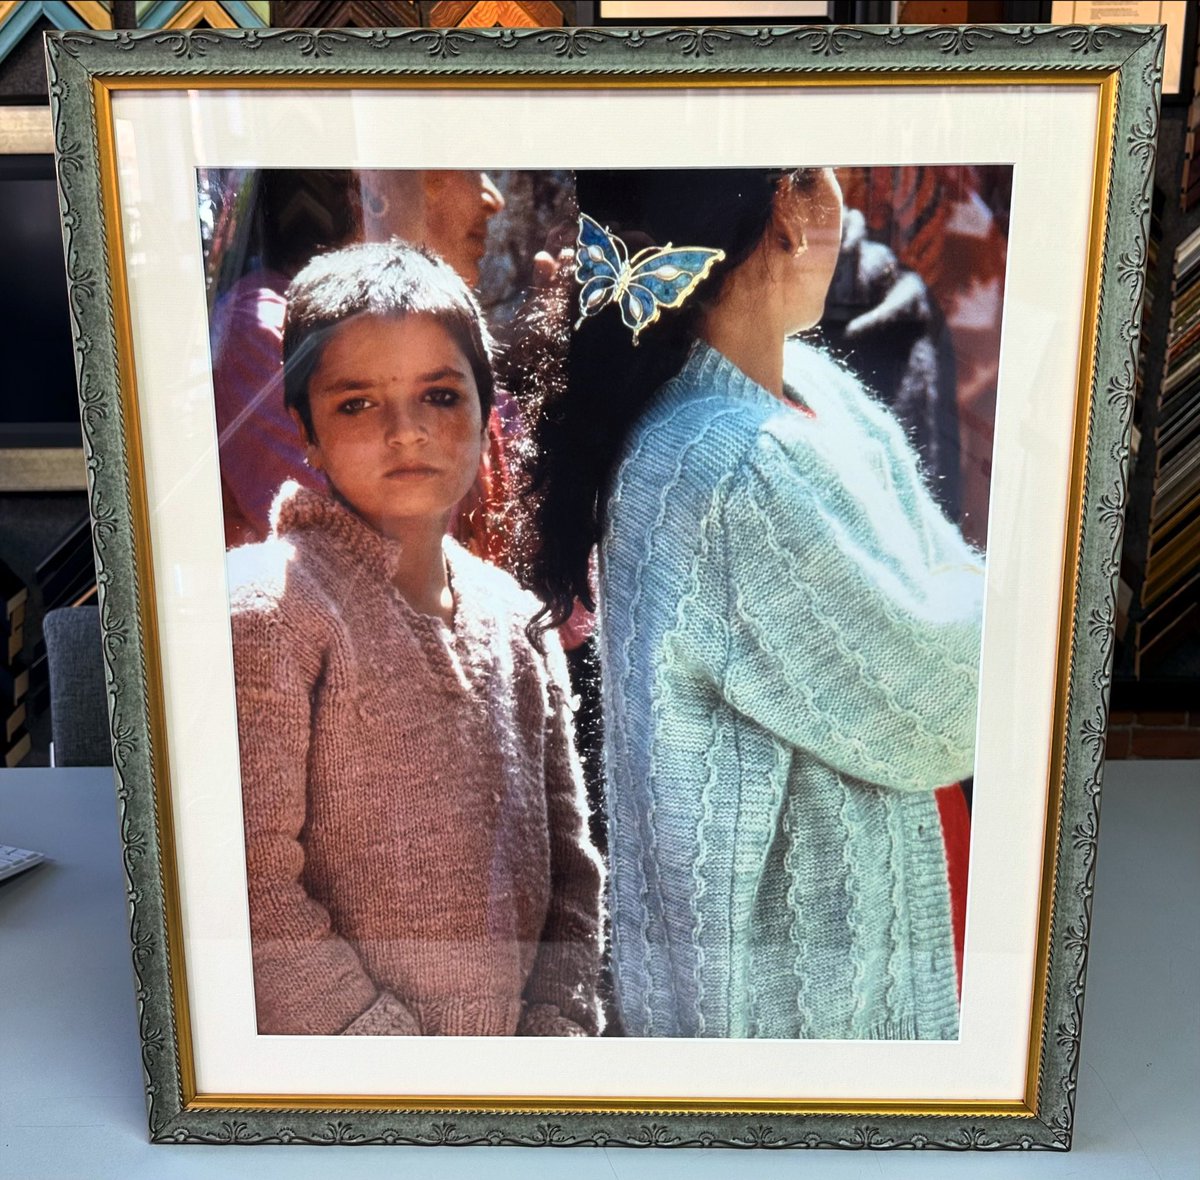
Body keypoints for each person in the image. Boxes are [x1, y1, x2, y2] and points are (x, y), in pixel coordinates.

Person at [525, 168, 984, 1040]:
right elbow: (949, 701)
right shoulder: (730, 465)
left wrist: (948, 612)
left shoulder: (811, 387)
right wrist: (966, 609)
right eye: (821, 170)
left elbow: (945, 612)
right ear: (792, 208)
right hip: (800, 997)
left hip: (887, 906)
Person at [229, 241, 604, 1037]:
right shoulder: (272, 610)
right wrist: (390, 1059)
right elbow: (247, 883)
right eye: (357, 403)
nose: (406, 432)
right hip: (352, 1108)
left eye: (439, 395)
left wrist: (556, 1033)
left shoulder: (517, 620)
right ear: (306, 432)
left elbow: (573, 873)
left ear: (484, 406)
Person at [210, 169, 509, 551]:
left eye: (442, 396)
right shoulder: (266, 332)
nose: (493, 199)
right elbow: (370, 558)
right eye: (356, 405)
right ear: (373, 184)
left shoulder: (441, 342)